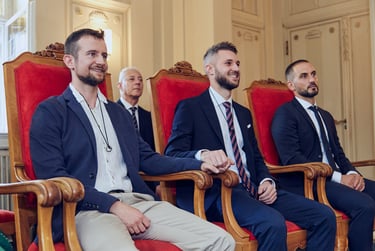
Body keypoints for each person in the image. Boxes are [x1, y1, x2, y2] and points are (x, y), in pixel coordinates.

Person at [29, 28, 235, 251]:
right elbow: (54, 176)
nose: (101, 61)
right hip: (83, 210)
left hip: (137, 202)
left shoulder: (118, 113)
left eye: (104, 55)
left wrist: (199, 162)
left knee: (222, 240)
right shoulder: (51, 111)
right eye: (92, 54)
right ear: (70, 60)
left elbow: (148, 158)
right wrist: (114, 206)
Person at [164, 41, 337, 251]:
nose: (236, 68)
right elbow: (172, 154)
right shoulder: (191, 108)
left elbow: (255, 157)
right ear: (210, 69)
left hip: (254, 188)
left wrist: (266, 181)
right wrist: (203, 155)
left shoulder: (243, 112)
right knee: (272, 223)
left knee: (324, 216)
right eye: (228, 63)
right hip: (217, 192)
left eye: (237, 63)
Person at [271, 59, 375, 251]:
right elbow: (291, 158)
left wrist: (352, 174)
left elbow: (339, 154)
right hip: (306, 182)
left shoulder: (325, 115)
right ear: (291, 85)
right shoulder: (285, 114)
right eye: (304, 76)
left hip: (334, 179)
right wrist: (339, 178)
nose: (312, 79)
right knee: (365, 205)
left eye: (313, 74)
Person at [117, 67, 155, 150]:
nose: (138, 82)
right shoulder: (111, 113)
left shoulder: (150, 117)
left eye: (140, 80)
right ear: (119, 85)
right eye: (131, 79)